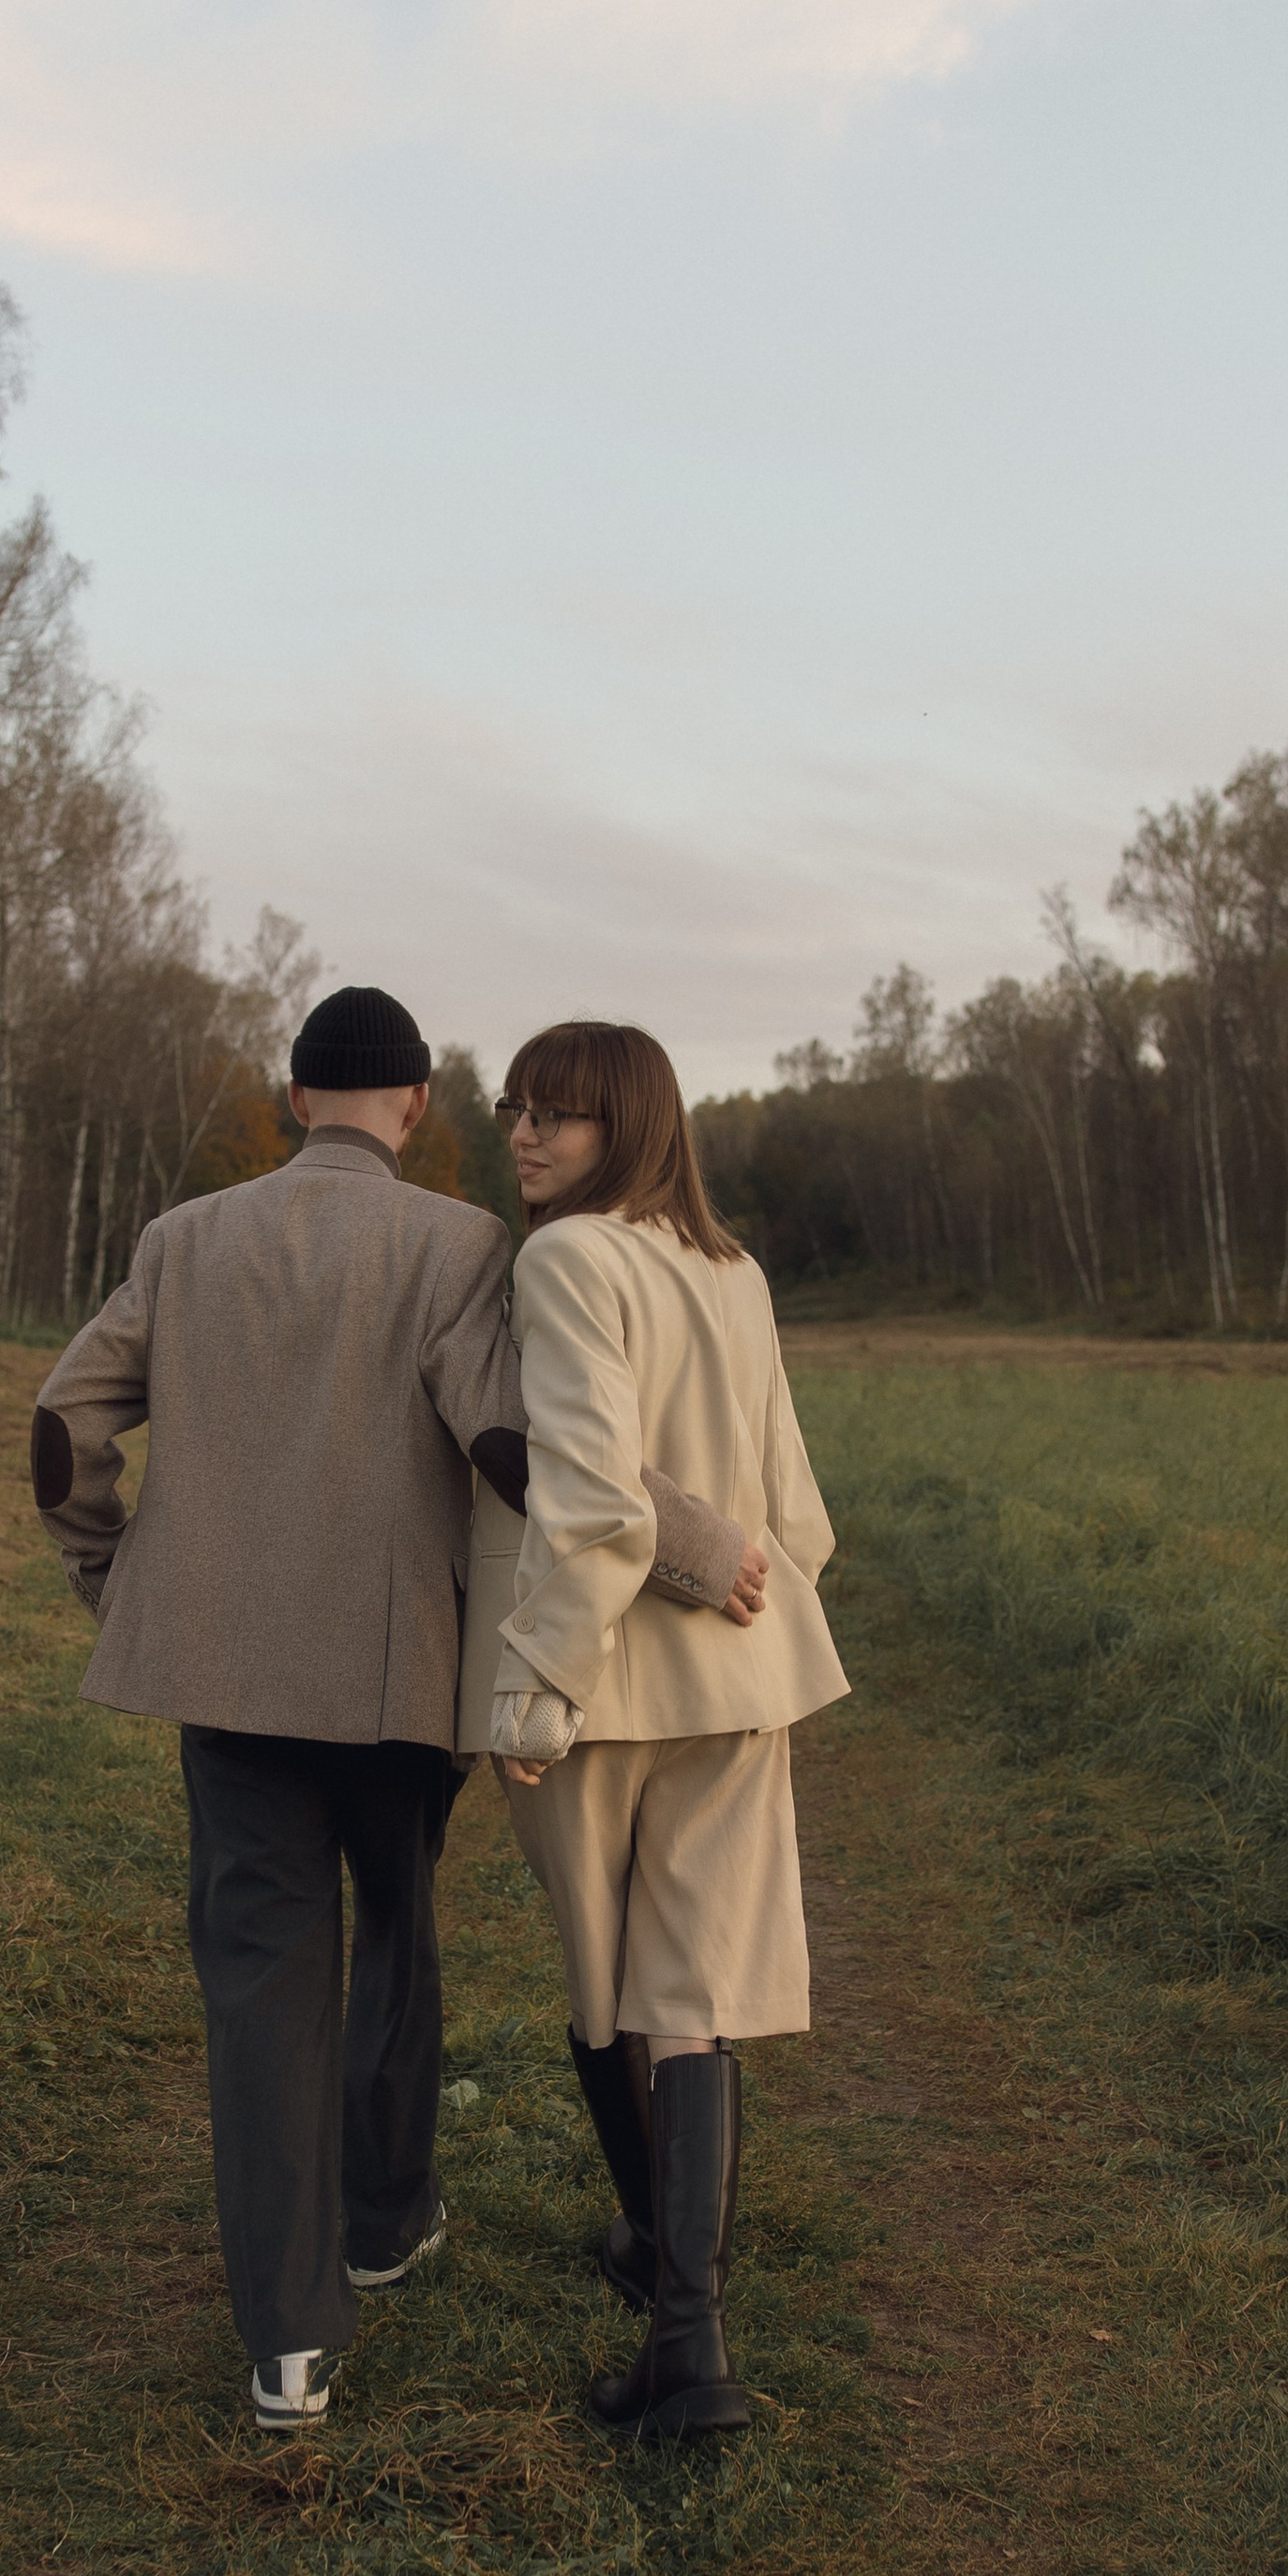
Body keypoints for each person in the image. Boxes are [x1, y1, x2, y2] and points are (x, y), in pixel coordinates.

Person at [31, 984, 763, 2435]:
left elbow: (65, 1428)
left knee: (260, 1979)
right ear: (417, 1107)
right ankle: (386, 2216)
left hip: (223, 1675)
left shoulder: (184, 1239)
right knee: (395, 1930)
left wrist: (115, 1582)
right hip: (397, 1676)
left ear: (296, 1096)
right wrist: (699, 1548)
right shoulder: (458, 1242)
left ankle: (289, 2347)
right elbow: (517, 1446)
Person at [457, 1020, 848, 2443]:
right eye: (518, 1108)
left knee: (604, 1983)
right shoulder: (732, 1268)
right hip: (736, 1682)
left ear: (626, 1126)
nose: (525, 1135)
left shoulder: (567, 1259)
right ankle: (688, 2340)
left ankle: (668, 2296)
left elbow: (590, 1491)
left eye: (558, 1115)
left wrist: (539, 1686)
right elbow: (791, 1505)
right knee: (691, 1994)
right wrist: (773, 1592)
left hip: (607, 1687)